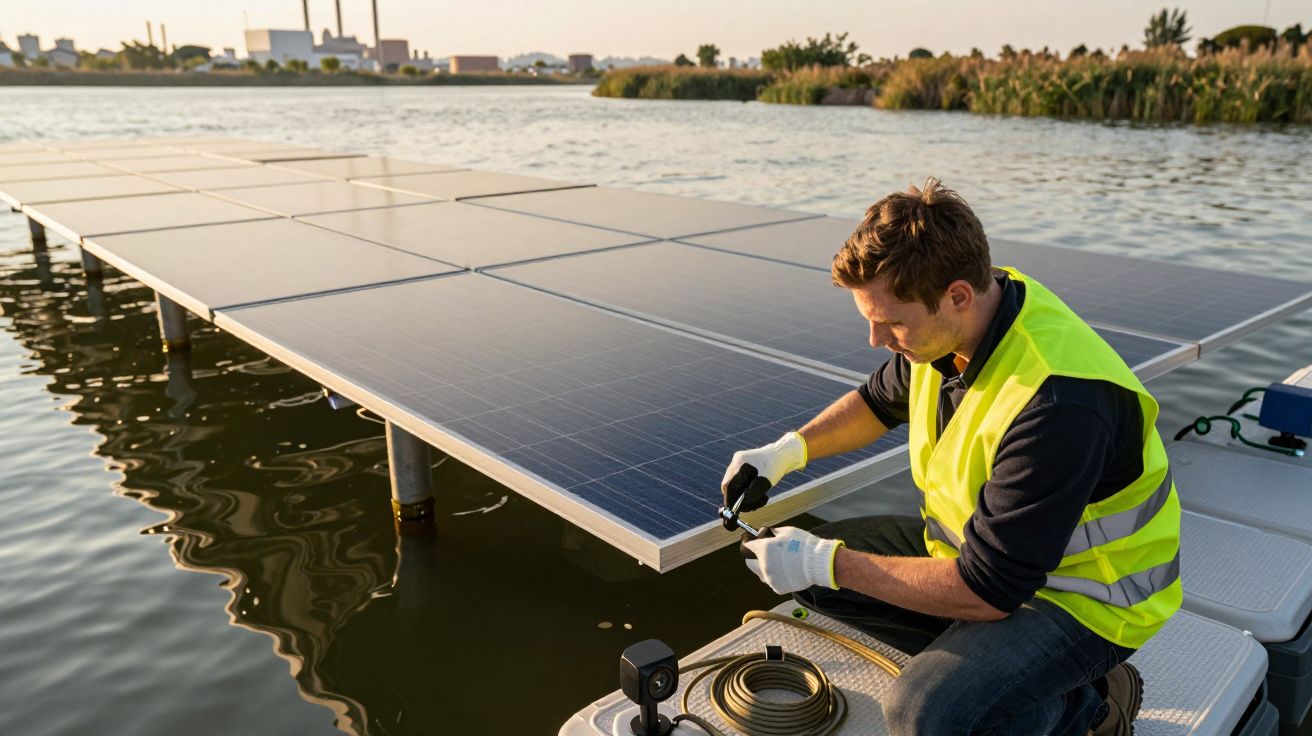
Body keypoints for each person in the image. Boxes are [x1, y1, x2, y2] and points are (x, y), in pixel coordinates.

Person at [721, 179, 1181, 736]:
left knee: (927, 713)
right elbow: (874, 402)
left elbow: (987, 591)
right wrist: (784, 452)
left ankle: (1084, 711)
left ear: (958, 295)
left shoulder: (1060, 402)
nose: (874, 339)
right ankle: (1040, 682)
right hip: (981, 553)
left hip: (1090, 598)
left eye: (890, 321)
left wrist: (828, 559)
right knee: (815, 580)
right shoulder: (955, 322)